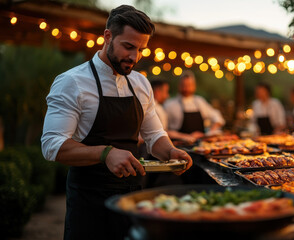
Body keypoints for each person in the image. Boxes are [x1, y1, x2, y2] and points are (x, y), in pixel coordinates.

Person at [40, 5, 192, 240]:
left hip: (132, 199)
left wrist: (171, 151)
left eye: (141, 49)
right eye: (128, 47)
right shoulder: (72, 82)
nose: (134, 57)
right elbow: (52, 146)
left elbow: (154, 135)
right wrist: (105, 153)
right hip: (89, 203)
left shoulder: (141, 84)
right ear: (107, 37)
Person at [164, 70, 225, 138]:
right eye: (183, 85)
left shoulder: (200, 101)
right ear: (179, 86)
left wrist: (212, 131)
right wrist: (186, 137)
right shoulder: (170, 104)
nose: (186, 88)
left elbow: (217, 116)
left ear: (194, 86)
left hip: (201, 145)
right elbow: (164, 130)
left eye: (189, 85)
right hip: (179, 145)